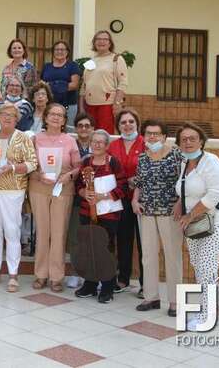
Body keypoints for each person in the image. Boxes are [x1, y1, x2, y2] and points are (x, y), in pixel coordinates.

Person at [173, 122, 219, 332]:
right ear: (179, 144)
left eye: (192, 138)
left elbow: (215, 193)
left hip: (216, 221)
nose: (188, 142)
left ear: (201, 141)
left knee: (207, 268)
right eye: (184, 139)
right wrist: (179, 204)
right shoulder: (184, 162)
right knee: (199, 266)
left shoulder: (211, 161)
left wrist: (190, 214)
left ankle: (209, 316)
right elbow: (186, 188)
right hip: (195, 224)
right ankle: (204, 310)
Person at [0, 103, 37, 292]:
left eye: (11, 115)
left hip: (13, 190)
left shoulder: (23, 138)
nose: (7, 117)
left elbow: (32, 164)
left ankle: (13, 274)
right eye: (3, 114)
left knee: (12, 231)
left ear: (17, 119)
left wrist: (13, 168)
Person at [133, 119, 183, 316]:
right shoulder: (143, 158)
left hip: (170, 213)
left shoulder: (176, 155)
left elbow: (184, 181)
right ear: (144, 136)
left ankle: (175, 302)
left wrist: (180, 203)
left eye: (156, 133)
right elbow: (139, 182)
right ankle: (151, 297)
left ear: (164, 136)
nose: (152, 137)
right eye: (148, 133)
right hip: (147, 212)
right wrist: (135, 201)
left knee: (172, 257)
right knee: (148, 255)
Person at [28, 103, 81, 293]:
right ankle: (40, 274)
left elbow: (78, 166)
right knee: (43, 232)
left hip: (62, 189)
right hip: (39, 188)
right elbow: (29, 163)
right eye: (53, 114)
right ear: (46, 117)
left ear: (64, 120)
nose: (56, 117)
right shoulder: (36, 139)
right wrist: (37, 175)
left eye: (60, 115)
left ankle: (56, 276)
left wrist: (69, 176)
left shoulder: (69, 140)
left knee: (58, 233)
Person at [74, 129, 128, 304]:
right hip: (86, 212)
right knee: (88, 247)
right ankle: (90, 283)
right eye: (94, 141)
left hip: (109, 213)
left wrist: (103, 196)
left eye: (100, 142)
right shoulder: (86, 162)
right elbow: (78, 186)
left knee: (106, 248)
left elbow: (123, 187)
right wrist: (84, 193)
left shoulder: (113, 162)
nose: (96, 145)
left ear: (106, 145)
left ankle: (107, 285)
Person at [108, 108, 144, 294]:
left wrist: (135, 181)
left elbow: (152, 169)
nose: (127, 125)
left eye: (131, 121)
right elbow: (107, 171)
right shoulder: (113, 146)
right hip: (120, 200)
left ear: (137, 123)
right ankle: (123, 278)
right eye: (123, 122)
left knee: (144, 242)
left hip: (142, 201)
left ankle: (146, 283)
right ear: (118, 126)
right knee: (123, 240)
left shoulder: (145, 143)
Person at [65, 112, 95, 289]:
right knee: (76, 236)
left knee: (94, 237)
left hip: (96, 199)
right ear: (76, 129)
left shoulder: (99, 144)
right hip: (76, 196)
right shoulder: (71, 145)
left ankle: (92, 273)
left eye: (87, 125)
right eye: (80, 126)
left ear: (92, 128)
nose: (84, 128)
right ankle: (76, 272)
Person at [79, 30, 128, 133]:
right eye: (98, 39)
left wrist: (117, 103)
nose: (101, 42)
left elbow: (123, 83)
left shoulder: (116, 59)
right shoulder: (91, 61)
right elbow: (84, 85)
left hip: (107, 105)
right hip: (89, 105)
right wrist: (82, 107)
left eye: (105, 39)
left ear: (110, 43)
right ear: (94, 42)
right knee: (90, 135)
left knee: (104, 135)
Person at [41, 40, 81, 128]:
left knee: (67, 129)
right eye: (57, 49)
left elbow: (74, 85)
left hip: (68, 104)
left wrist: (51, 85)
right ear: (53, 51)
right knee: (48, 127)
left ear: (67, 52)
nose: (59, 52)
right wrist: (62, 85)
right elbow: (42, 85)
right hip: (49, 104)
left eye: (62, 49)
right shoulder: (47, 66)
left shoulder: (73, 66)